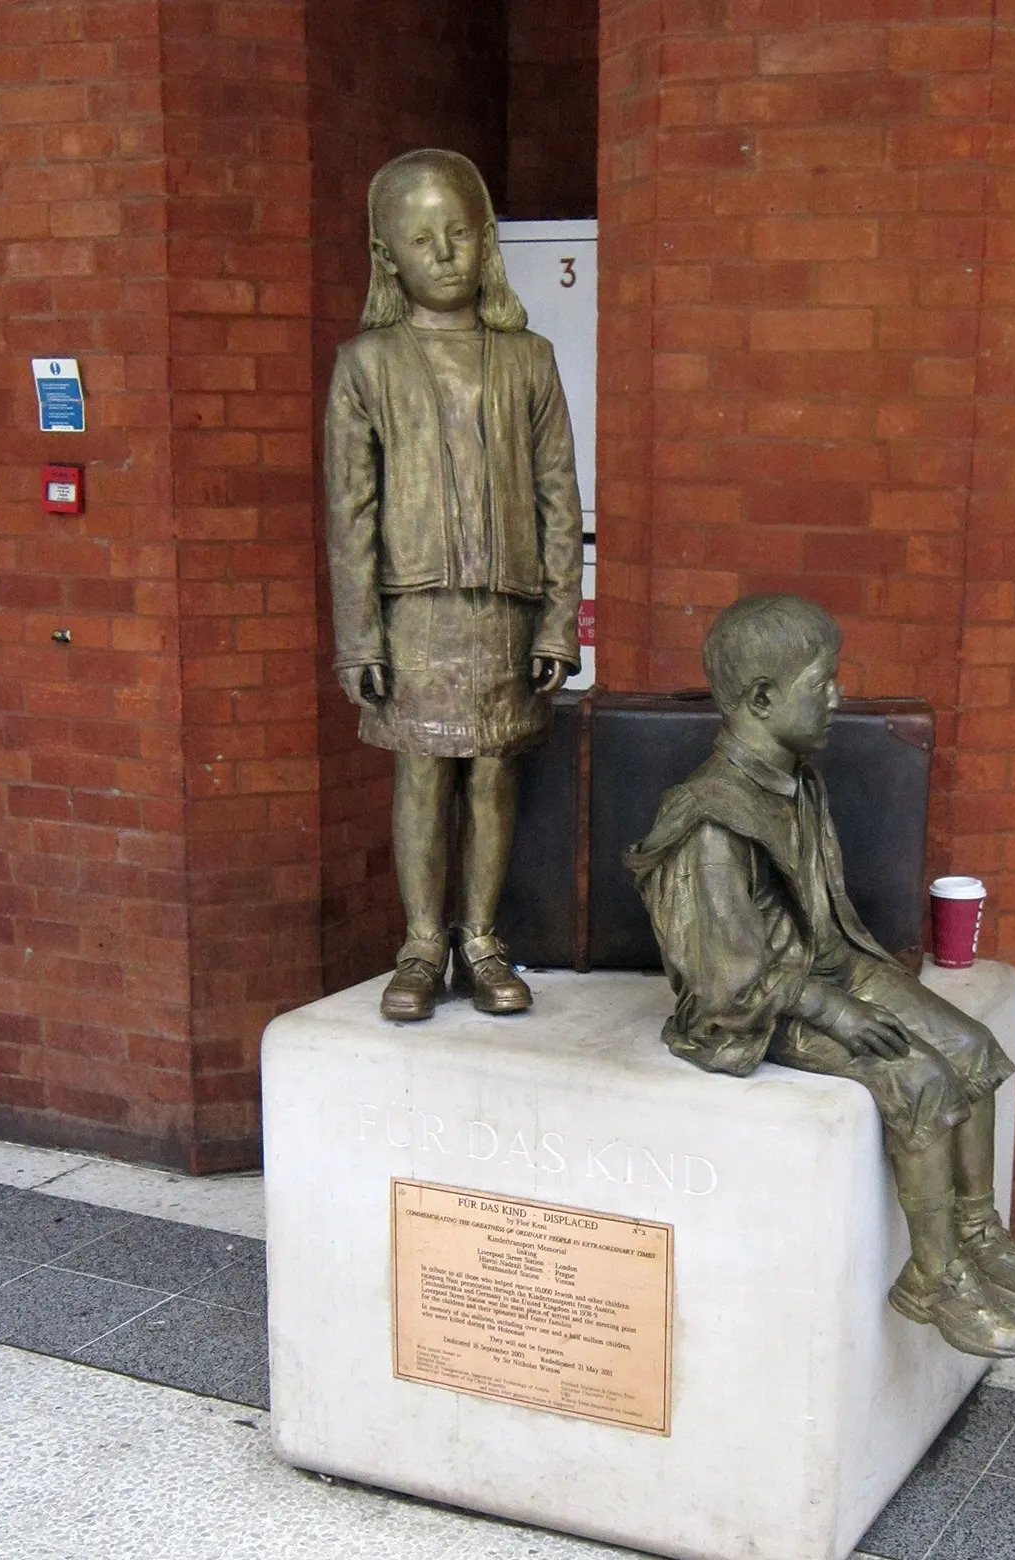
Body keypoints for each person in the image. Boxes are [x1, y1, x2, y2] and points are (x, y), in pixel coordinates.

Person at [625, 594, 1015, 1358]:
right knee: (916, 1078)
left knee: (971, 1050)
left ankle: (975, 1229)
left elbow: (825, 917)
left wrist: (854, 983)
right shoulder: (709, 820)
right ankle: (934, 1277)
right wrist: (833, 1010)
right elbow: (724, 978)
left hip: (831, 969)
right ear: (763, 699)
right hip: (760, 1005)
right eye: (822, 681)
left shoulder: (797, 777)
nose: (838, 697)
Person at [325, 149, 582, 1022]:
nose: (444, 253)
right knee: (424, 773)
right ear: (386, 254)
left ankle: (482, 939)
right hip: (413, 613)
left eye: (460, 234)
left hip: (504, 611)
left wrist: (558, 622)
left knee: (493, 775)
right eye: (421, 239)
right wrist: (359, 637)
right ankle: (421, 943)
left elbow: (559, 499)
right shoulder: (366, 366)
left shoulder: (530, 360)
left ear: (488, 242)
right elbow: (350, 514)